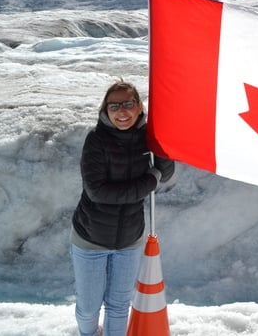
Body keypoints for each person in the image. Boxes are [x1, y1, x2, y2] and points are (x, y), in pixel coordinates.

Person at [70, 80, 175, 336]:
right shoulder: (96, 140)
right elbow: (99, 192)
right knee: (88, 307)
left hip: (129, 238)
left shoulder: (147, 137)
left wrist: (160, 140)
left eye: (128, 104)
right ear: (106, 110)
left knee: (118, 306)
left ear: (139, 106)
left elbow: (166, 172)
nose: (122, 111)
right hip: (91, 237)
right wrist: (149, 181)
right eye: (114, 105)